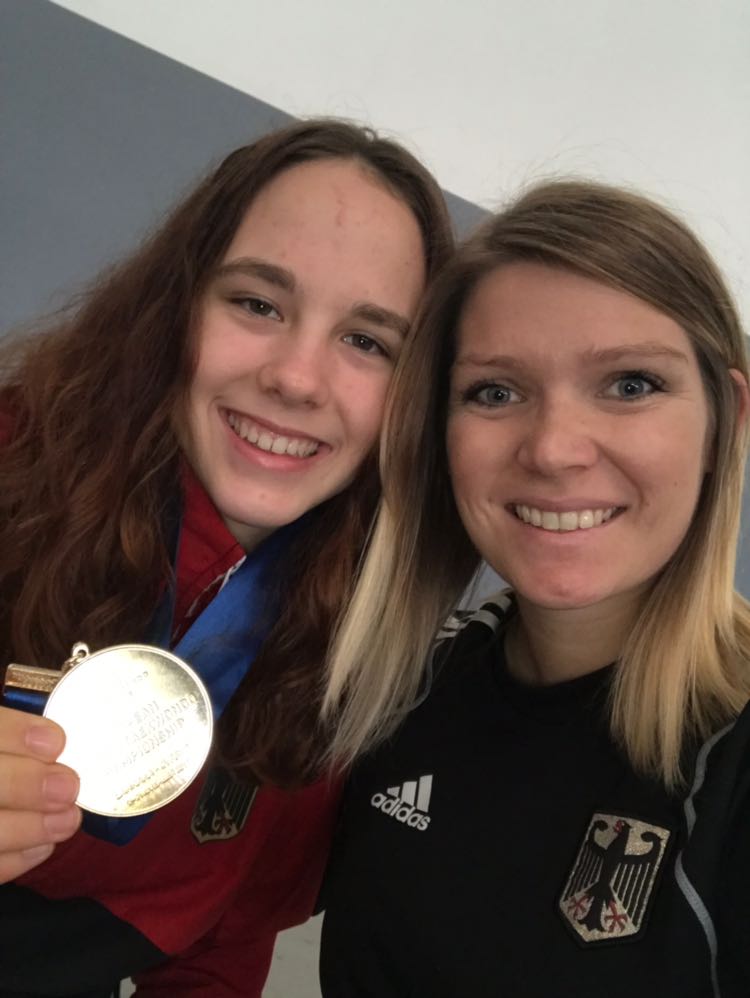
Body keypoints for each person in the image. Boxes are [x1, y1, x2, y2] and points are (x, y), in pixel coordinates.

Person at [0, 118, 453, 996]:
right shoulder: (14, 463)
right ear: (177, 305)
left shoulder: (364, 652)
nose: (296, 377)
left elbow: (219, 948)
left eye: (367, 342)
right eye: (257, 303)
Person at [319, 180, 750, 996]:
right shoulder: (401, 694)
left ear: (724, 420)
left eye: (629, 384)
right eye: (496, 392)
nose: (553, 449)